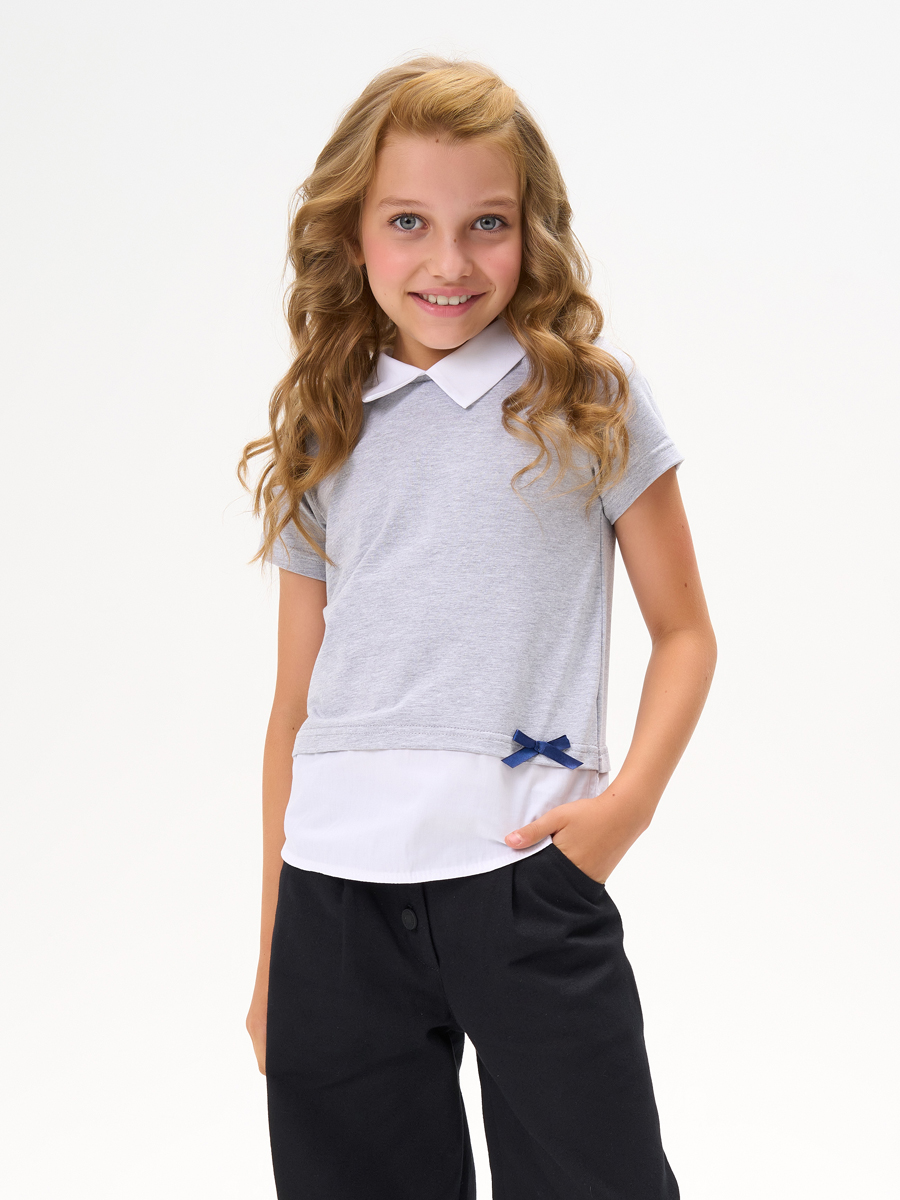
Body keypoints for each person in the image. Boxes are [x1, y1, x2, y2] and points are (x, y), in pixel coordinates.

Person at [238, 54, 717, 1200]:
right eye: (408, 221)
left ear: (530, 231)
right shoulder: (325, 424)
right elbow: (294, 709)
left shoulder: (587, 400)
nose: (448, 263)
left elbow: (686, 632)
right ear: (353, 234)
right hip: (332, 902)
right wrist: (270, 953)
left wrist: (622, 815)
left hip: (523, 880)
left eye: (485, 224)